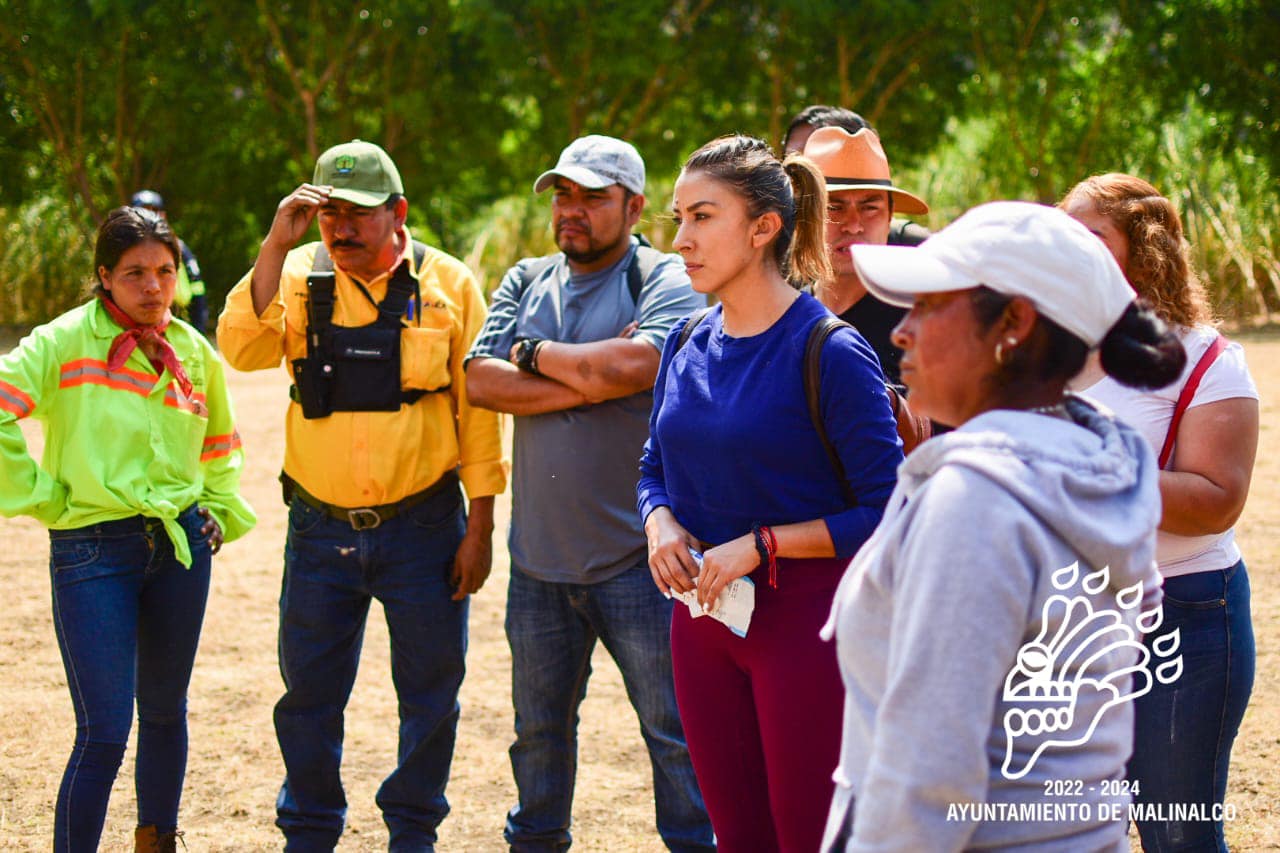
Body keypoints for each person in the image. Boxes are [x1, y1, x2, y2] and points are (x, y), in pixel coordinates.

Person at [820, 201, 1186, 851]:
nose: (901, 331)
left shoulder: (976, 501)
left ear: (1014, 323)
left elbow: (928, 776)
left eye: (929, 305)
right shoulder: (1100, 465)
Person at [216, 139, 505, 851]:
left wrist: (481, 526)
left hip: (427, 526)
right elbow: (239, 348)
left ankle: (413, 830)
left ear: (398, 213)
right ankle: (310, 829)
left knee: (431, 694)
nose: (341, 229)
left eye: (359, 215)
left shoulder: (450, 284)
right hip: (320, 529)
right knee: (308, 696)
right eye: (329, 214)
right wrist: (275, 244)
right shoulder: (294, 276)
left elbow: (479, 411)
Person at [637, 135, 903, 852]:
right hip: (701, 625)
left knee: (811, 838)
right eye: (678, 220)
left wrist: (764, 543)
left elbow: (888, 512)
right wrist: (659, 521)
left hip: (807, 630)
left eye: (702, 217)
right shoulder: (683, 341)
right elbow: (652, 465)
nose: (683, 240)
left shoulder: (833, 351)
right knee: (738, 837)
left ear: (764, 228)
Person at [464, 134, 713, 852]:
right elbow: (480, 383)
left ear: (635, 206)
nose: (571, 210)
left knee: (675, 740)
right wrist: (588, 379)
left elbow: (638, 365)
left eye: (592, 197)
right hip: (538, 566)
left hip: (643, 561)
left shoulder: (665, 277)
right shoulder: (524, 277)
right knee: (537, 741)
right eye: (563, 195)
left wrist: (534, 356)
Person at [0, 206, 255, 853]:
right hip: (92, 551)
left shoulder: (195, 354)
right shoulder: (63, 342)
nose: (153, 287)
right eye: (136, 272)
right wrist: (43, 497)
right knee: (106, 730)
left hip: (180, 549)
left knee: (166, 713)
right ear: (104, 276)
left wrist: (217, 513)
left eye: (165, 271)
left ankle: (156, 839)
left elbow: (220, 447)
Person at [1063, 173, 1258, 852]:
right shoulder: (1045, 354)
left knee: (1178, 835)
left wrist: (1094, 458)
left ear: (1143, 252)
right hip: (1068, 621)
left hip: (1185, 618)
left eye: (1089, 239)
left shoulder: (1205, 360)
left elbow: (1216, 501)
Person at [781, 105, 930, 248]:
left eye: (870, 208)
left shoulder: (917, 248)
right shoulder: (770, 250)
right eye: (793, 162)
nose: (853, 226)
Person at [130, 190, 209, 336]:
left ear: (163, 215)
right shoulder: (122, 249)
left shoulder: (178, 248)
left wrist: (199, 330)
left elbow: (197, 289)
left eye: (154, 211)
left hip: (174, 325)